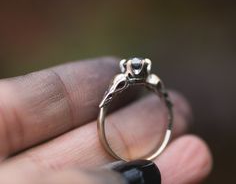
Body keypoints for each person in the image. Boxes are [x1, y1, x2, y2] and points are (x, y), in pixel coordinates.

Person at [0, 57, 212, 184]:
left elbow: (164, 98)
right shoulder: (121, 79)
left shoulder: (154, 81)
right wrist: (105, 103)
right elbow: (107, 99)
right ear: (126, 67)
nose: (137, 71)